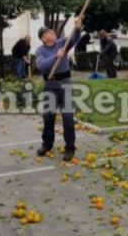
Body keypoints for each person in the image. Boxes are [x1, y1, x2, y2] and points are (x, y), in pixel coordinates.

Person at [35, 17, 82, 162]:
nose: (53, 33)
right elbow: (41, 65)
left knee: (68, 117)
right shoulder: (40, 50)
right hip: (50, 86)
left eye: (52, 31)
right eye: (49, 32)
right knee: (48, 117)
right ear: (43, 38)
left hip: (65, 84)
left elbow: (74, 38)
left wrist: (78, 27)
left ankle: (69, 148)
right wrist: (55, 56)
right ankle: (47, 144)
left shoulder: (62, 43)